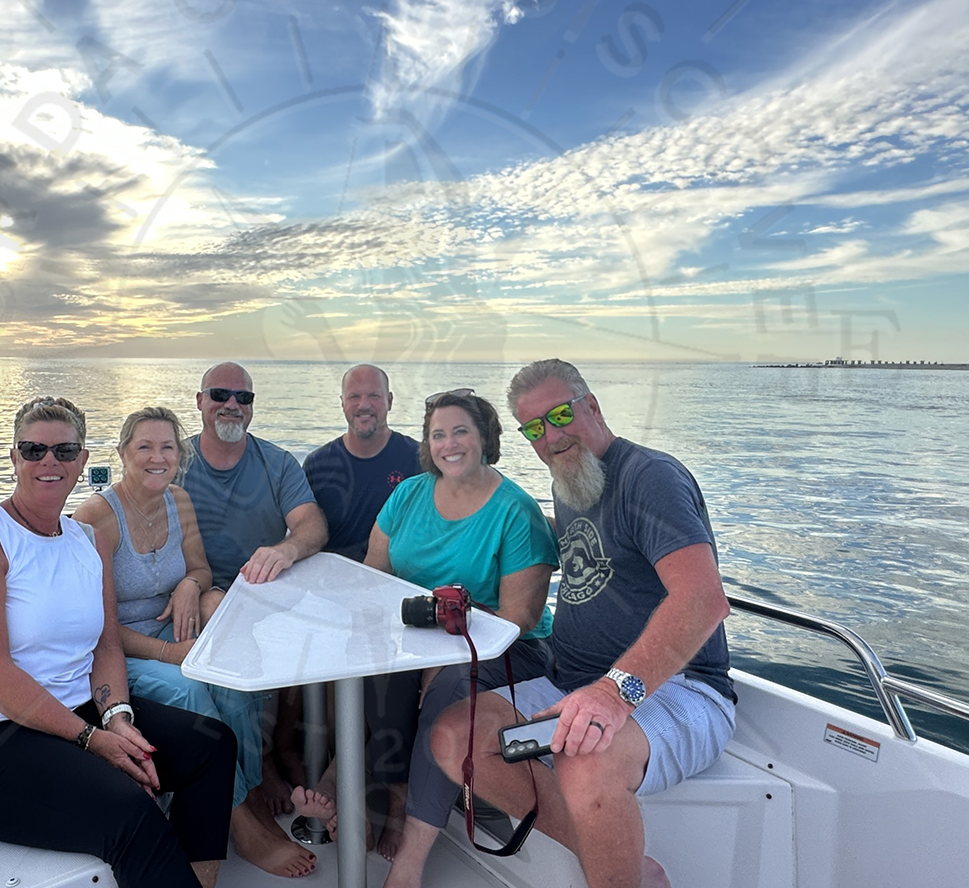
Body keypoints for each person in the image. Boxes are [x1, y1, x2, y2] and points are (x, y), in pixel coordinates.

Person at [430, 361, 736, 888]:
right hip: (571, 677)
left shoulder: (648, 477)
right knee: (455, 737)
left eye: (561, 415)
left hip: (678, 687)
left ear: (591, 406)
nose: (550, 436)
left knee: (585, 758)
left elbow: (703, 600)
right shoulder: (571, 482)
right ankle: (624, 864)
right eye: (533, 428)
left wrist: (613, 695)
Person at [0, 397, 237, 888]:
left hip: (77, 713)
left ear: (83, 461)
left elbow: (106, 645)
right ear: (14, 457)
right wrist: (90, 739)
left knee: (210, 748)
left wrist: (117, 718)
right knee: (128, 809)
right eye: (34, 449)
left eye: (65, 451)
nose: (50, 462)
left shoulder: (86, 540)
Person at [291, 390, 557, 888]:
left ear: (485, 439)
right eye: (438, 434)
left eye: (460, 432)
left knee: (448, 689)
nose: (448, 444)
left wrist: (440, 645)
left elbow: (518, 618)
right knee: (365, 658)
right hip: (415, 633)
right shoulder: (410, 494)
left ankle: (408, 857)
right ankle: (361, 782)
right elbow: (375, 574)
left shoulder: (515, 512)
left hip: (503, 648)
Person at [72, 407, 266, 836]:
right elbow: (90, 625)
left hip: (173, 629)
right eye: (144, 446)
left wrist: (190, 586)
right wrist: (168, 653)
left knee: (232, 677)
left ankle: (249, 790)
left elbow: (200, 569)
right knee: (190, 688)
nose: (157, 457)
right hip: (120, 648)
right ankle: (239, 822)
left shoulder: (178, 500)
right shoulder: (97, 518)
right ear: (123, 453)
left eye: (167, 447)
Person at [184, 362, 330, 877]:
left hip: (264, 594)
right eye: (220, 394)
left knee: (319, 646)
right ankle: (246, 796)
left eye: (242, 397)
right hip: (196, 596)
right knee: (230, 672)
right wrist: (198, 585)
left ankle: (269, 764)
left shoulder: (275, 463)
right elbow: (130, 518)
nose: (232, 405)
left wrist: (285, 549)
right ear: (199, 401)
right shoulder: (174, 463)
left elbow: (311, 524)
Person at [304, 364, 421, 562]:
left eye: (374, 396)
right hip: (330, 576)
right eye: (354, 397)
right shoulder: (317, 464)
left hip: (395, 577)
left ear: (389, 401)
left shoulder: (417, 459)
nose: (364, 405)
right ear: (342, 403)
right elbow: (305, 531)